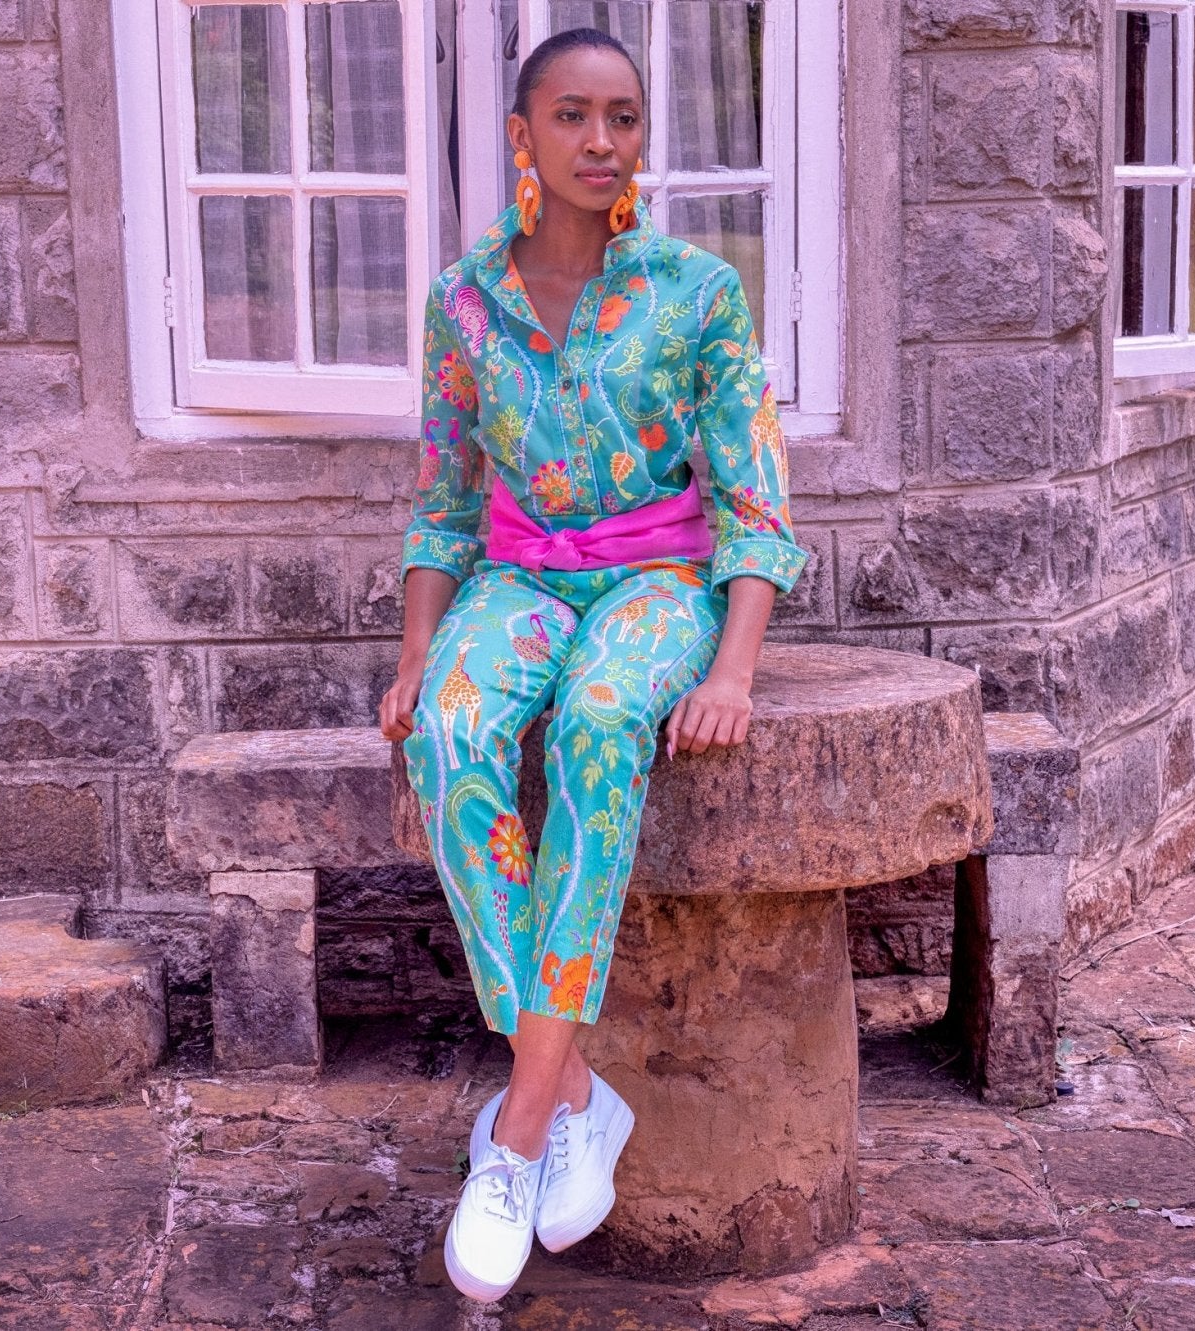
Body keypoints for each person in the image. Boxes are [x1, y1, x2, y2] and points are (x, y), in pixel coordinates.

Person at [376, 27, 805, 1301]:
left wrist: (731, 672)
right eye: (570, 115)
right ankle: (570, 1087)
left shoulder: (695, 290)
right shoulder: (463, 302)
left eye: (621, 117)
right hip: (518, 580)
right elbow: (445, 500)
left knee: (599, 720)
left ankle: (515, 1132)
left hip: (655, 580)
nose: (600, 141)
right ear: (523, 136)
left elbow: (753, 501)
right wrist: (416, 650)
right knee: (449, 730)